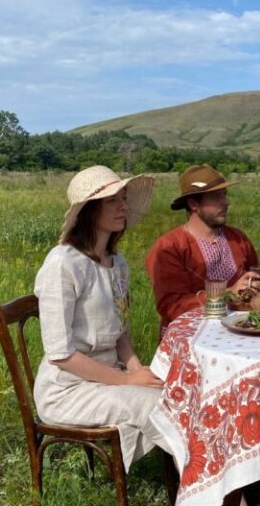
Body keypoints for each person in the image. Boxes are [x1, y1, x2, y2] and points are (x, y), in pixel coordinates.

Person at [33, 165, 166, 470]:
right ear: (89, 211)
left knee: (173, 392)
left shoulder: (116, 262)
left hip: (110, 377)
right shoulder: (62, 264)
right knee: (162, 407)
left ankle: (203, 483)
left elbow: (120, 331)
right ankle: (213, 489)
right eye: (112, 201)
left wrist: (138, 369)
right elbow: (60, 354)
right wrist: (128, 380)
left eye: (124, 198)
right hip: (68, 389)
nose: (123, 207)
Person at [146, 164, 260, 334]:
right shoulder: (170, 247)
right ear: (193, 204)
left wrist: (258, 286)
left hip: (242, 331)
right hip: (192, 336)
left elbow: (257, 278)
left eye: (224, 195)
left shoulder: (237, 238)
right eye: (216, 197)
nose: (226, 202)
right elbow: (171, 306)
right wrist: (228, 293)